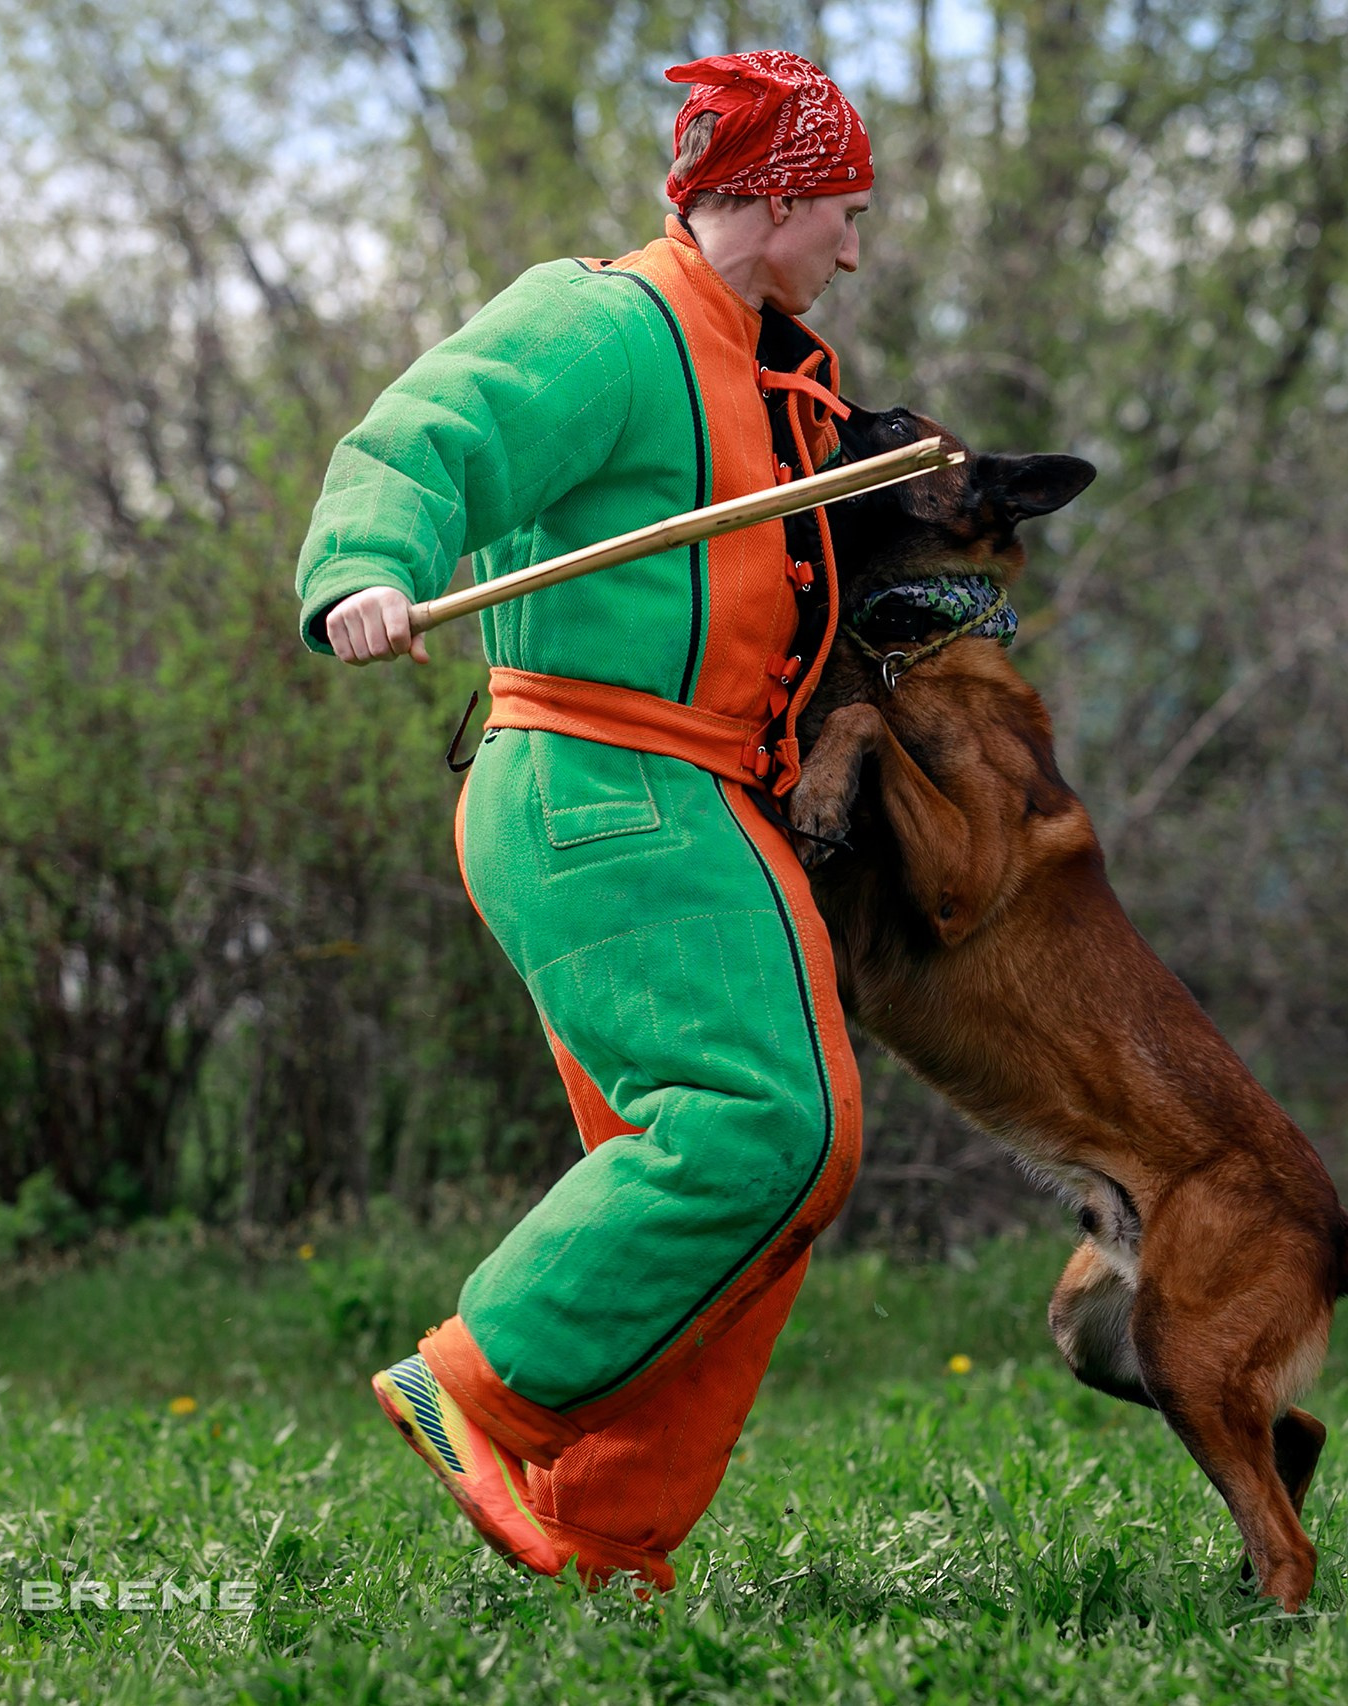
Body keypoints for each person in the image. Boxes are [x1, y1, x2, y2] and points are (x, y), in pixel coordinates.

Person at [291, 51, 873, 1590]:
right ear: (768, 199)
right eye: (843, 211)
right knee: (771, 1123)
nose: (855, 250)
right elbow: (428, 431)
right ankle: (478, 1380)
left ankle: (600, 1526)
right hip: (603, 780)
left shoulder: (755, 360)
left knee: (729, 1162)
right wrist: (364, 567)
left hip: (669, 793)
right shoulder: (609, 321)